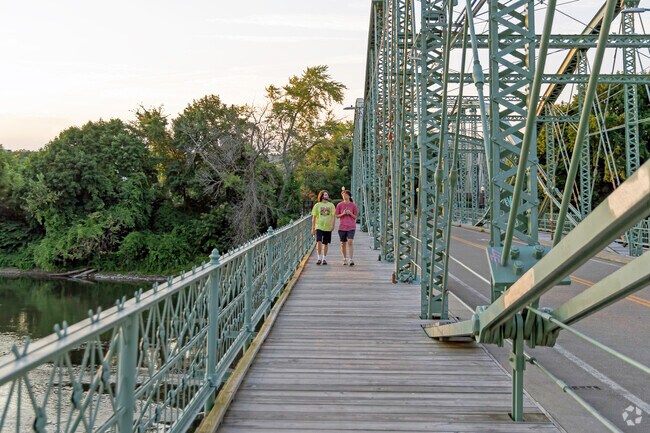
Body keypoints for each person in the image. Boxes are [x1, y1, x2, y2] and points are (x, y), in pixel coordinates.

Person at [311, 190, 335, 265]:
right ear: (321, 196)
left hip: (327, 227)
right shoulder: (317, 205)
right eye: (325, 195)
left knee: (326, 243)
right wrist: (313, 228)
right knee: (318, 241)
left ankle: (324, 258)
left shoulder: (331, 205)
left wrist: (333, 225)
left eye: (327, 195)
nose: (327, 196)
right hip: (319, 226)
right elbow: (314, 217)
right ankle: (319, 258)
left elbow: (333, 216)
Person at [335, 189, 359, 266]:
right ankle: (344, 259)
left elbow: (355, 217)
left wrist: (350, 213)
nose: (344, 196)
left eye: (345, 194)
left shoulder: (353, 205)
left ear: (349, 196)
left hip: (351, 226)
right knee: (343, 243)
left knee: (350, 241)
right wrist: (343, 213)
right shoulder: (339, 205)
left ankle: (351, 259)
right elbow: (336, 216)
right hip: (342, 227)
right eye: (343, 195)